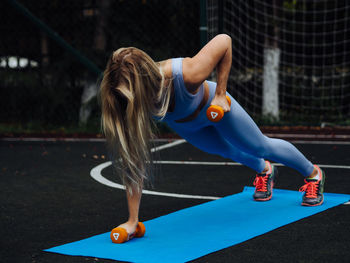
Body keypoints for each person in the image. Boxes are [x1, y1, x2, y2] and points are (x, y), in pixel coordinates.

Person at [100, 34, 326, 235]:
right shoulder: (125, 101)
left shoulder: (186, 73)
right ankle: (265, 170)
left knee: (260, 146)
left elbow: (224, 41)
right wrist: (132, 221)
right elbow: (134, 162)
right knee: (225, 149)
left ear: (146, 81)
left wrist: (220, 93)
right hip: (186, 124)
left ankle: (313, 174)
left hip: (216, 108)